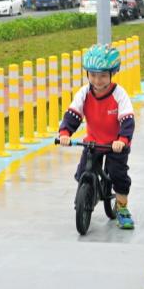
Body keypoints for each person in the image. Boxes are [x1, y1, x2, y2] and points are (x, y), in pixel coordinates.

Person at [58, 44, 136, 229]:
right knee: (82, 172)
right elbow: (73, 114)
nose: (97, 80)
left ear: (112, 73)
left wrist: (122, 140)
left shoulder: (119, 94)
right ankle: (87, 193)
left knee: (119, 176)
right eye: (92, 75)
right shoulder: (84, 93)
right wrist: (65, 133)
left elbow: (127, 120)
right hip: (93, 142)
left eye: (102, 76)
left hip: (115, 144)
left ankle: (122, 209)